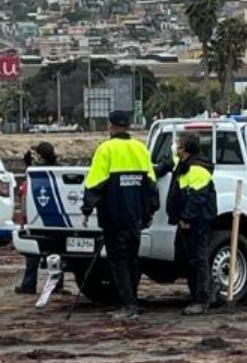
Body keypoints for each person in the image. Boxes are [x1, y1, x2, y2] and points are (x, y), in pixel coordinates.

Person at [81, 110, 158, 322]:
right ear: (129, 126)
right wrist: (150, 211)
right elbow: (151, 184)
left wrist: (86, 209)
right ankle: (130, 301)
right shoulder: (140, 148)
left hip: (114, 216)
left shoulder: (106, 149)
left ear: (110, 126)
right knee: (132, 260)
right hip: (135, 217)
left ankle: (128, 305)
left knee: (119, 261)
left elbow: (95, 183)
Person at [162, 134, 217, 316]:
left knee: (198, 259)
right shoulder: (184, 165)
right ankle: (205, 294)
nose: (174, 147)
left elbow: (197, 197)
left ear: (184, 148)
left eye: (177, 144)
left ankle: (202, 299)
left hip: (197, 222)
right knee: (187, 259)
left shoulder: (197, 168)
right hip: (188, 220)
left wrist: (186, 218)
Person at [15, 142, 66, 295]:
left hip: (38, 216)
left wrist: (28, 163)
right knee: (56, 252)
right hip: (56, 216)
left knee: (33, 254)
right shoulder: (58, 169)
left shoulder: (38, 171)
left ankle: (29, 284)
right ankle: (56, 284)